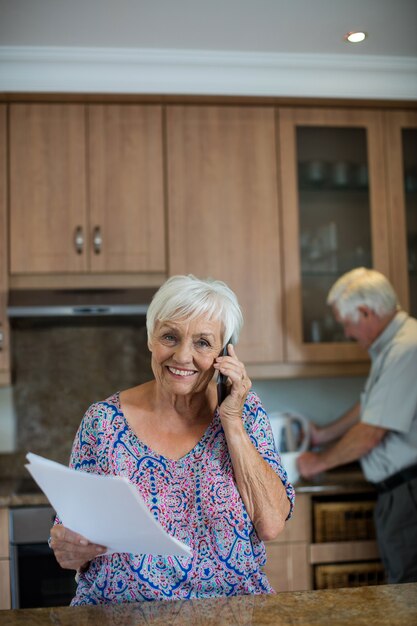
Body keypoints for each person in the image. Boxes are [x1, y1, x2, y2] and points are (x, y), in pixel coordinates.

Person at [50, 274, 295, 604]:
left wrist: (232, 423)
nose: (182, 356)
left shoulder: (244, 411)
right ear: (151, 338)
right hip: (120, 617)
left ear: (225, 354)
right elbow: (69, 551)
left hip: (232, 613)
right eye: (170, 337)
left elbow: (270, 524)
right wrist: (69, 546)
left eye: (203, 343)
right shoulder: (103, 422)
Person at [297, 267, 417, 583]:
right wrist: (322, 435)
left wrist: (317, 462)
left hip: (410, 495)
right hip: (401, 493)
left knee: (407, 595)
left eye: (346, 324)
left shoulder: (406, 349)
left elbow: (370, 434)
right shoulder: (393, 346)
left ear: (365, 312)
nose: (347, 333)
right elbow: (369, 407)